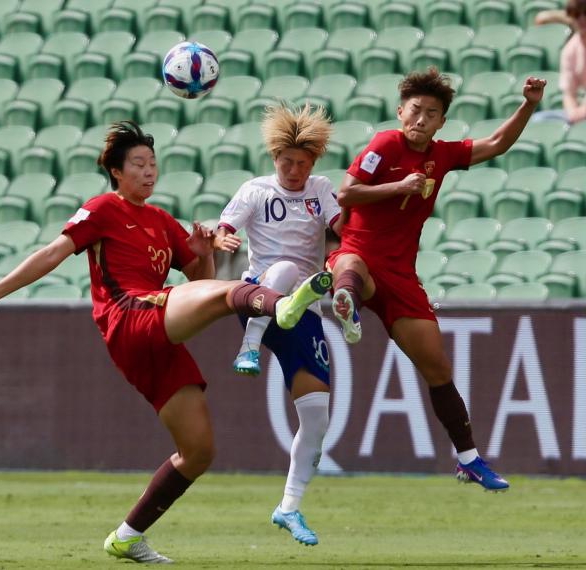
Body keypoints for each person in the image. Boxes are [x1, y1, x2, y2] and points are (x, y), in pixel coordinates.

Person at [0, 121, 333, 564]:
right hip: (127, 315)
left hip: (159, 334)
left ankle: (126, 536)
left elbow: (202, 283)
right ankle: (281, 307)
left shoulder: (161, 221)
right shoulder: (103, 208)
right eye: (138, 164)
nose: (148, 171)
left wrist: (202, 253)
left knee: (198, 451)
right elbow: (52, 253)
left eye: (153, 164)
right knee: (229, 295)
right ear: (116, 172)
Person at [327, 68, 547, 492]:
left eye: (431, 113)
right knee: (351, 267)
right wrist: (397, 186)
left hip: (401, 274)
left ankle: (468, 459)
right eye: (415, 111)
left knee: (437, 367)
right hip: (359, 251)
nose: (421, 120)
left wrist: (529, 105)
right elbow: (346, 194)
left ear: (442, 121)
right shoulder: (385, 143)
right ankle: (345, 302)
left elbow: (498, 144)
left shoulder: (442, 155)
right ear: (400, 112)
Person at [215, 103, 344, 546]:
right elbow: (224, 226)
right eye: (286, 162)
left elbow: (341, 224)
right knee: (286, 269)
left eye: (302, 163)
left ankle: (289, 508)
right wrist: (223, 236)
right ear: (275, 159)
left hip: (304, 311)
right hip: (261, 298)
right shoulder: (255, 190)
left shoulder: (322, 189)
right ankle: (248, 347)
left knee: (317, 419)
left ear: (314, 163)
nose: (294, 170)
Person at [534, 0, 586, 124]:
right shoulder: (571, 49)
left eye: (585, 13)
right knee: (539, 119)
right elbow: (568, 93)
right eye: (576, 15)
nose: (581, 19)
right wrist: (573, 113)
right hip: (581, 114)